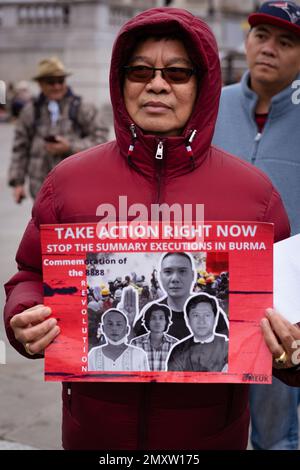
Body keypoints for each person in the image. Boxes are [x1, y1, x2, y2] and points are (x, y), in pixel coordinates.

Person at [4, 7, 300, 450]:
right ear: (120, 80)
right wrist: (22, 321)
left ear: (202, 85)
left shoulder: (254, 193)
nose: (157, 84)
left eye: (177, 73)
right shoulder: (68, 181)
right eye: (140, 70)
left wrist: (291, 353)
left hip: (209, 436)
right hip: (95, 430)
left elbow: (286, 308)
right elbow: (29, 274)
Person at [213, 0, 300, 450]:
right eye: (261, 36)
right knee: (211, 423)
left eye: (286, 42)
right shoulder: (212, 107)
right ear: (245, 41)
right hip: (211, 293)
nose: (269, 48)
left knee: (275, 429)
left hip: (286, 303)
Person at [8, 56, 108, 203]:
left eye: (60, 81)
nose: (57, 86)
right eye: (51, 82)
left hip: (76, 188)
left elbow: (102, 142)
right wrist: (17, 183)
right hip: (40, 190)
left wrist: (70, 147)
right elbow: (20, 148)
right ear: (40, 84)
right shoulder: (30, 112)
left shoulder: (83, 108)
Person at [167, 294, 228, 372]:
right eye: (196, 315)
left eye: (207, 315)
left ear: (215, 318)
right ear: (188, 320)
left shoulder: (228, 348)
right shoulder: (179, 350)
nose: (201, 321)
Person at [131, 302, 178, 371]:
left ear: (166, 322)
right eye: (153, 318)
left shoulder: (175, 345)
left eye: (161, 318)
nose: (157, 321)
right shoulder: (136, 344)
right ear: (147, 321)